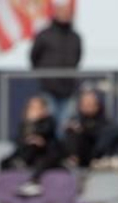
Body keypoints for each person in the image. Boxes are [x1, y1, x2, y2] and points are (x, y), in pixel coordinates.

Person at [29, 1, 81, 131]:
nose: (66, 15)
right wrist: (46, 79)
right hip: (49, 89)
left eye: (68, 12)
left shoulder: (75, 37)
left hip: (69, 90)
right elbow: (34, 57)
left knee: (65, 125)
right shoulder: (44, 35)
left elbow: (78, 58)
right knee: (49, 125)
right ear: (56, 12)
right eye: (62, 11)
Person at [2, 96, 64, 196]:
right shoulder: (24, 124)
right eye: (31, 107)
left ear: (44, 110)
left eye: (36, 107)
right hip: (29, 154)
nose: (33, 110)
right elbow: (20, 141)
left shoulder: (50, 121)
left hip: (46, 154)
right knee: (5, 161)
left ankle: (34, 182)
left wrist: (34, 127)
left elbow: (45, 133)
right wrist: (30, 125)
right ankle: (9, 183)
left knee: (42, 157)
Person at [60, 89, 111, 170]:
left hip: (95, 154)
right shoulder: (77, 119)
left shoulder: (103, 121)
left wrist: (83, 130)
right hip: (80, 153)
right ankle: (72, 159)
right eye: (84, 104)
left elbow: (101, 137)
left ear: (97, 105)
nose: (87, 106)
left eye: (90, 104)